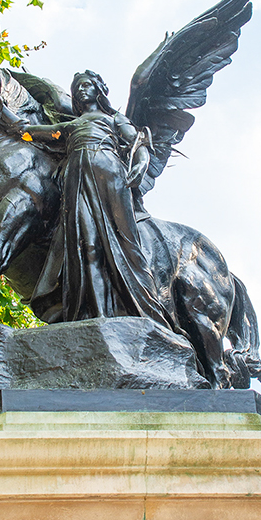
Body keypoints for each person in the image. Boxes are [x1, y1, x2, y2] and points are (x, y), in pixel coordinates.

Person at [19, 70, 174, 328]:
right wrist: (4, 116)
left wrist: (141, 162)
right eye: (77, 86)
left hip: (110, 175)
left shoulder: (112, 119)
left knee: (127, 244)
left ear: (99, 89)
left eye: (87, 85)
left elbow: (138, 141)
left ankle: (145, 306)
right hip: (77, 179)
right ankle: (96, 317)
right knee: (85, 245)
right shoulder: (69, 127)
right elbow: (30, 132)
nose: (81, 89)